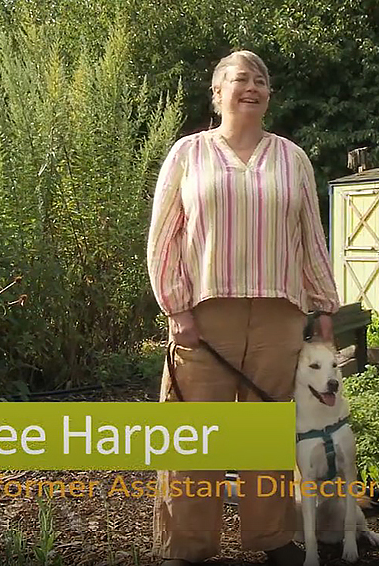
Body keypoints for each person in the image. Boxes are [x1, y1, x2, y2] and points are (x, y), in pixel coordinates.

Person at [146, 50, 340, 566]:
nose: (251, 87)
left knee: (268, 433)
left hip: (279, 313)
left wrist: (323, 307)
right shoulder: (188, 154)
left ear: (269, 95)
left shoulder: (292, 158)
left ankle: (271, 538)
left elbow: (310, 238)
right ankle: (187, 547)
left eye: (261, 80)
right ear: (217, 93)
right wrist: (176, 308)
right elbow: (164, 236)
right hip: (206, 317)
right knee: (193, 435)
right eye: (239, 79)